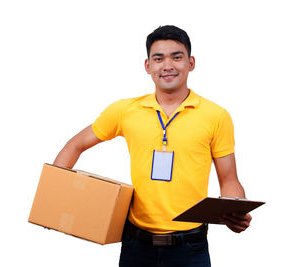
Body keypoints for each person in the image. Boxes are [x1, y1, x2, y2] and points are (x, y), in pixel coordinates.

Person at [53, 25, 252, 267]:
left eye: (176, 57)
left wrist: (235, 211)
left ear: (191, 63)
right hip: (137, 245)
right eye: (158, 58)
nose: (167, 65)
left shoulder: (216, 116)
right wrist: (56, 198)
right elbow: (75, 145)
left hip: (190, 247)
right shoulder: (125, 111)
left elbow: (229, 178)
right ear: (148, 66)